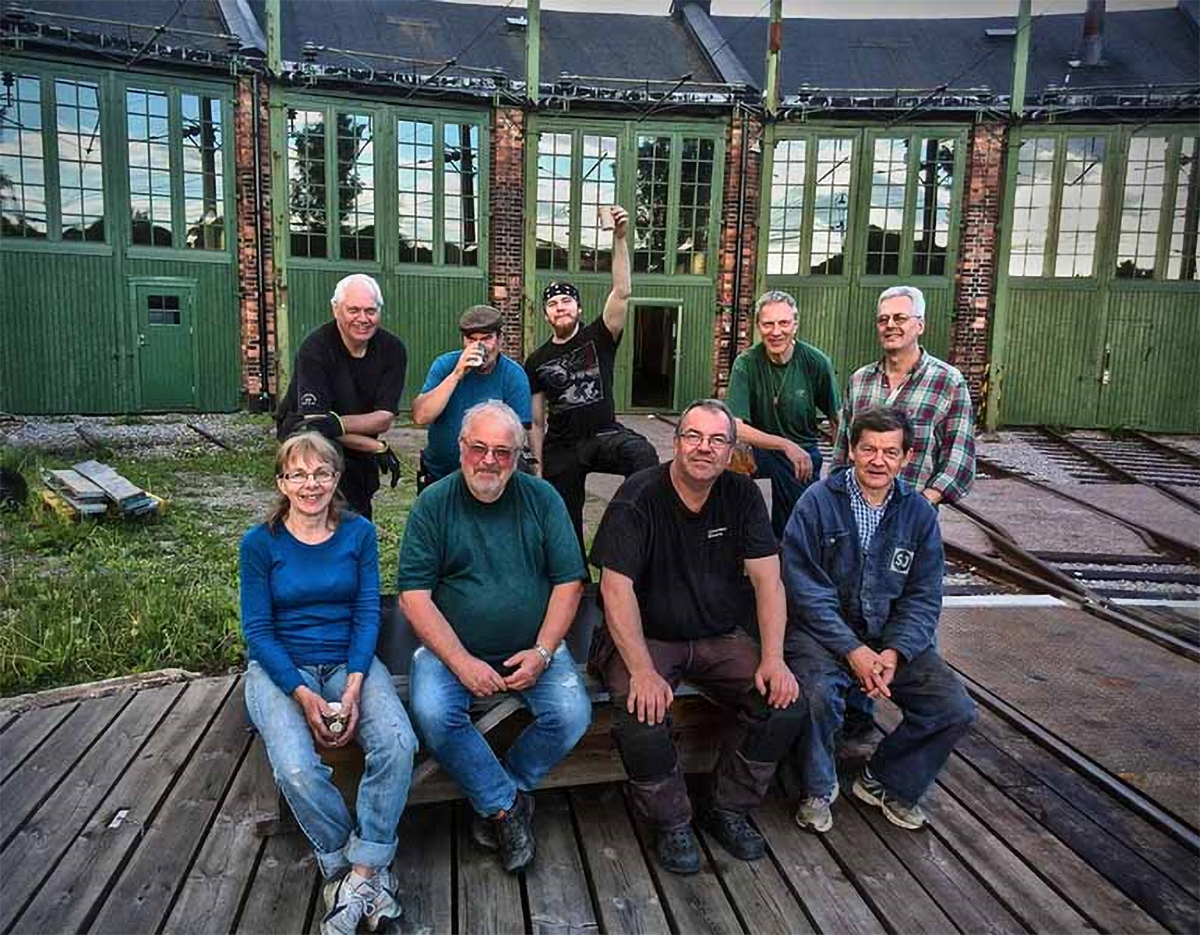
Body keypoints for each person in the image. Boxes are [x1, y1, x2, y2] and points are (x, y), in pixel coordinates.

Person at [590, 399, 802, 875]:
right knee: (640, 709)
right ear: (677, 441)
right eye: (693, 436)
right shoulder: (638, 496)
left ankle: (728, 808)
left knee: (785, 701)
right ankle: (672, 821)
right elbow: (614, 587)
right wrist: (642, 671)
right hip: (646, 638)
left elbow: (769, 581)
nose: (703, 448)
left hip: (716, 636)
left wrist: (774, 657)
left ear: (730, 451)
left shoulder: (742, 495)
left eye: (717, 440)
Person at [397, 401, 591, 874]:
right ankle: (507, 809)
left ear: (519, 455)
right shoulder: (434, 504)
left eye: (502, 452)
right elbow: (413, 596)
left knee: (571, 715)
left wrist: (544, 652)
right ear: (460, 448)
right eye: (478, 448)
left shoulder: (542, 500)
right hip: (451, 652)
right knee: (433, 712)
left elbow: (570, 582)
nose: (488, 460)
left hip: (533, 648)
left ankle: (500, 793)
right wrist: (461, 662)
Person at [240, 433, 416, 935]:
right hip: (280, 669)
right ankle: (354, 873)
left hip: (348, 660)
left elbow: (366, 612)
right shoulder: (259, 543)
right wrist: (302, 692)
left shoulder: (357, 533)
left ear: (337, 478)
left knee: (398, 743)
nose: (310, 484)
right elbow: (257, 631)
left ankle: (357, 875)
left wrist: (356, 682)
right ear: (281, 482)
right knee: (296, 768)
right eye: (297, 474)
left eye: (321, 473)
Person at [783, 406, 976, 834]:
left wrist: (893, 650)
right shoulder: (816, 503)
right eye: (868, 448)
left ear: (907, 457)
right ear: (851, 450)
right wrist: (852, 651)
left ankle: (885, 781)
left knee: (953, 707)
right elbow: (804, 592)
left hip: (890, 638)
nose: (878, 460)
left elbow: (924, 596)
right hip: (824, 636)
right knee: (814, 694)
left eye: (890, 452)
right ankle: (818, 787)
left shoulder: (919, 515)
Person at [524, 205, 658, 555]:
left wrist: (620, 238)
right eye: (553, 303)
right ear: (546, 314)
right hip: (562, 446)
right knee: (563, 516)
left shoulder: (599, 336)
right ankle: (575, 575)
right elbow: (536, 422)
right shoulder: (536, 361)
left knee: (644, 456)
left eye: (567, 300)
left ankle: (616, 532)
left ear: (579, 308)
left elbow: (622, 290)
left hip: (603, 435)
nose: (560, 307)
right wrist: (537, 465)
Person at [274, 273, 407, 519]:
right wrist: (374, 445)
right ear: (336, 309)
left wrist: (336, 423)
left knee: (360, 504)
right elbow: (315, 427)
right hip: (306, 440)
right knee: (325, 504)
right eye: (353, 310)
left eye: (370, 311)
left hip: (350, 442)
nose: (363, 319)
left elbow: (383, 418)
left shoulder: (392, 350)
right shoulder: (315, 349)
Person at [833, 285, 975, 508]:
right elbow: (842, 451)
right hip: (855, 512)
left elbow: (959, 461)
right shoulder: (859, 381)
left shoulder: (948, 382)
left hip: (913, 515)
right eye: (883, 319)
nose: (890, 325)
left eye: (900, 318)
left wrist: (921, 505)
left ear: (920, 325)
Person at [726, 290, 840, 539]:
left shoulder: (815, 362)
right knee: (725, 463)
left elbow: (837, 419)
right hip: (760, 448)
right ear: (758, 326)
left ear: (795, 325)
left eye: (784, 323)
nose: (776, 332)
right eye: (768, 324)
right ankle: (736, 536)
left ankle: (788, 545)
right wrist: (783, 444)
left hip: (801, 450)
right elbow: (736, 426)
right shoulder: (746, 363)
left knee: (798, 521)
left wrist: (842, 467)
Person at [411, 305, 532, 492]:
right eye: (472, 340)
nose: (479, 346)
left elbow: (518, 436)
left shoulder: (513, 375)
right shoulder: (445, 365)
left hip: (488, 480)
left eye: (486, 338)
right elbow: (421, 416)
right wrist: (457, 374)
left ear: (499, 340)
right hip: (439, 477)